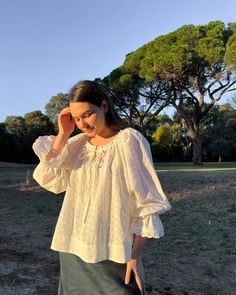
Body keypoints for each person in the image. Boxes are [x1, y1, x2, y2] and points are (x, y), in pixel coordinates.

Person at [32, 80, 172, 295]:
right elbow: (49, 177)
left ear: (104, 106)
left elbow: (147, 203)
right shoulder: (77, 144)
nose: (83, 124)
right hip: (72, 248)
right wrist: (63, 135)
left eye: (87, 114)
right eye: (77, 118)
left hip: (113, 251)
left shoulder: (128, 141)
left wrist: (134, 256)